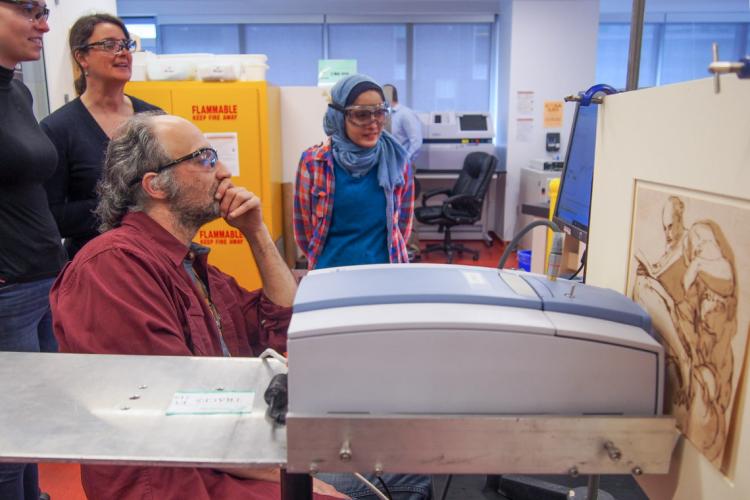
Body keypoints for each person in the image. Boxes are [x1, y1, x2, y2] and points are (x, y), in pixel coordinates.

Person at [50, 112, 349, 499]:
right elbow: (174, 411)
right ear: (156, 185)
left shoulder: (189, 265)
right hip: (181, 480)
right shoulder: (112, 268)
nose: (223, 171)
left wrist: (256, 232)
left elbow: (279, 323)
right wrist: (280, 474)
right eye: (205, 158)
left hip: (230, 457)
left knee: (405, 476)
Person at [0, 1, 66, 498]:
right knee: (8, 439)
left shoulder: (17, 91)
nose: (43, 23)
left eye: (45, 10)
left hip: (42, 281)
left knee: (33, 429)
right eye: (29, 8)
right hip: (6, 291)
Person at [42, 13, 160, 259]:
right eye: (109, 45)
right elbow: (51, 216)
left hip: (154, 259)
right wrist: (123, 206)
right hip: (94, 265)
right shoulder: (58, 128)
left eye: (126, 45)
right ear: (81, 57)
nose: (122, 52)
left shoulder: (155, 119)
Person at [294, 74, 414, 270]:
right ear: (339, 116)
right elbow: (303, 231)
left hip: (386, 273)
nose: (374, 123)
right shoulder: (313, 163)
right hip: (330, 274)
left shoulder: (398, 161)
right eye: (362, 114)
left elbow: (402, 226)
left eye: (380, 113)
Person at [382, 84, 422, 164]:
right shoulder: (385, 114)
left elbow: (416, 141)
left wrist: (406, 160)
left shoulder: (406, 114)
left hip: (401, 163)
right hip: (387, 162)